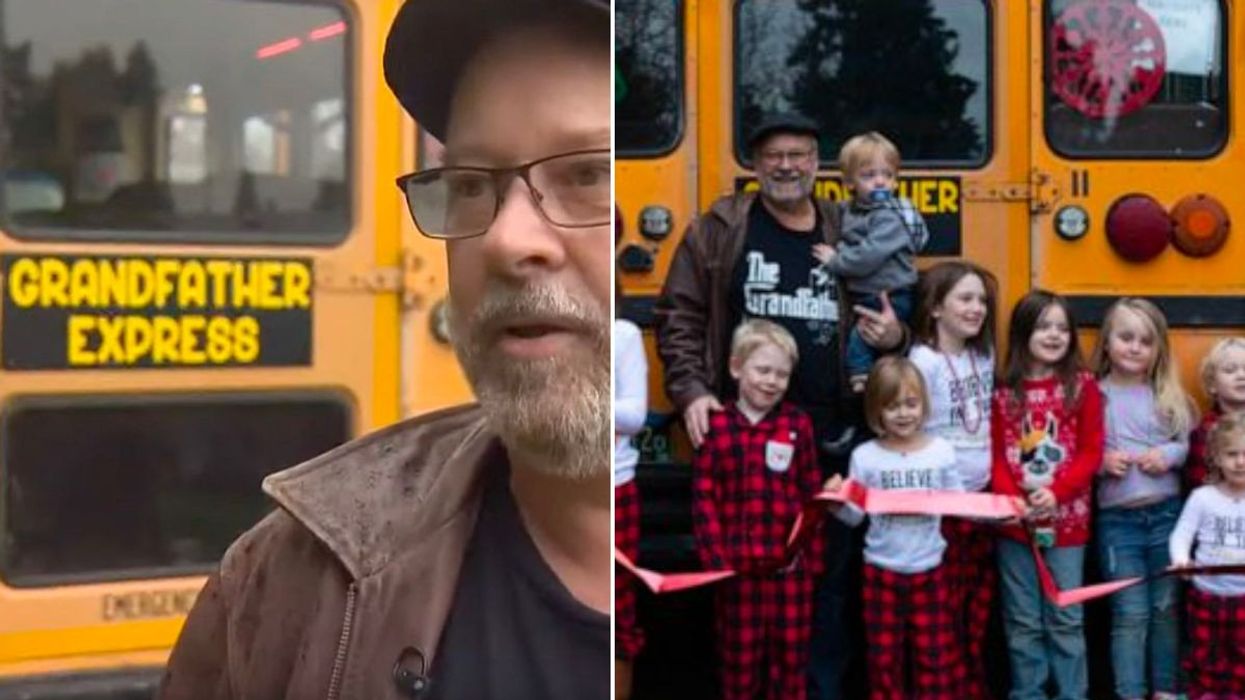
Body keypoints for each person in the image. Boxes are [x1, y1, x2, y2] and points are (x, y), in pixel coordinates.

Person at [158, 1, 611, 698]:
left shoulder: (791, 579)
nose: (502, 240)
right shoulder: (284, 585)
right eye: (468, 185)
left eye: (588, 174)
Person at [655, 112, 906, 700]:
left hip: (834, 435)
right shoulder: (719, 229)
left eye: (798, 155)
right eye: (774, 156)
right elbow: (680, 316)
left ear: (817, 164)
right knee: (744, 589)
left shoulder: (851, 228)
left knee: (827, 582)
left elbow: (895, 300)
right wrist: (692, 389)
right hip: (745, 439)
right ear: (756, 165)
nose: (787, 165)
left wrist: (895, 339)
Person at [692, 319, 824, 700]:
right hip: (737, 576)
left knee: (790, 666)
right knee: (740, 666)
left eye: (782, 374)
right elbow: (704, 500)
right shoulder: (716, 427)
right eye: (763, 370)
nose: (772, 381)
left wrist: (810, 563)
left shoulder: (797, 424)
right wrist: (717, 564)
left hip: (790, 574)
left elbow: (811, 494)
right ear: (736, 368)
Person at [824, 356, 966, 700]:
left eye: (911, 403)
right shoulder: (865, 456)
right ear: (876, 411)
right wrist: (834, 503)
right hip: (880, 573)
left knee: (934, 660)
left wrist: (1004, 510)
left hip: (930, 570)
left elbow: (959, 503)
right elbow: (856, 517)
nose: (903, 413)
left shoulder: (941, 452)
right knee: (883, 662)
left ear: (924, 404)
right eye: (891, 406)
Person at [990, 289, 1103, 700]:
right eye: (1043, 326)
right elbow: (996, 456)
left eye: (1062, 327)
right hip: (1015, 528)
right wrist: (1010, 499)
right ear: (1023, 332)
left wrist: (1056, 491)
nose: (1054, 335)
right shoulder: (1004, 389)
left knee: (1065, 617)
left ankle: (1073, 693)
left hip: (1067, 526)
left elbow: (1092, 451)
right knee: (1022, 620)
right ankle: (1028, 691)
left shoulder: (1081, 386)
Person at [1089, 298, 1194, 700]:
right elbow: (1079, 451)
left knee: (1165, 610)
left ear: (1158, 350)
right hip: (1119, 524)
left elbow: (1183, 445)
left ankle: (1165, 691)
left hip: (1167, 517)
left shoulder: (1165, 394)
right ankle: (1130, 692)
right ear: (1108, 342)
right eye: (1126, 337)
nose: (1135, 347)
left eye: (1145, 342)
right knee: (1129, 614)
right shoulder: (1094, 396)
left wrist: (1166, 455)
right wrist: (1102, 461)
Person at [907, 260, 998, 699]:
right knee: (939, 606)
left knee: (974, 604)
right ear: (936, 307)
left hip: (982, 500)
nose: (977, 308)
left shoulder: (984, 356)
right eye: (965, 298)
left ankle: (968, 682)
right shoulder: (923, 361)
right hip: (942, 504)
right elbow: (913, 427)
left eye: (981, 299)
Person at [814, 132, 929, 394]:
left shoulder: (890, 217)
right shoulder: (851, 209)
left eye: (887, 175)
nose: (880, 182)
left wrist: (836, 260)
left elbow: (868, 256)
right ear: (849, 182)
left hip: (890, 294)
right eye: (868, 176)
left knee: (861, 336)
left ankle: (861, 376)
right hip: (867, 293)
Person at [1170, 412, 1245, 698]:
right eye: (1232, 453)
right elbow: (1181, 535)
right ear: (1216, 457)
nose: (1240, 461)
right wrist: (1180, 559)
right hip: (1207, 597)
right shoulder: (1202, 497)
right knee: (1206, 659)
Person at [614, 223, 648, 700]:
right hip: (553, 486)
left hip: (613, 488)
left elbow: (634, 414)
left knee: (618, 610)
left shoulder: (622, 334)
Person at [1186, 337, 1245, 490]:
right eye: (1230, 370)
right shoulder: (1204, 432)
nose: (1241, 376)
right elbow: (1198, 483)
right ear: (1212, 384)